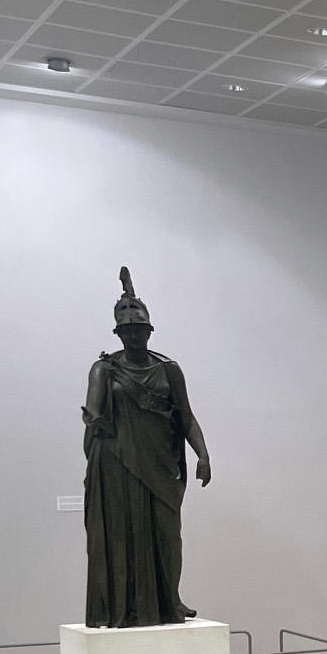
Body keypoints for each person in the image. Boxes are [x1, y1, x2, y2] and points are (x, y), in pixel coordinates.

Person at [82, 267, 211, 628]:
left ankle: (170, 598)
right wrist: (93, 422)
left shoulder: (169, 370)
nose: (134, 336)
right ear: (118, 334)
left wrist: (203, 454)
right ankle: (126, 604)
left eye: (140, 330)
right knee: (124, 536)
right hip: (119, 463)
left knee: (168, 535)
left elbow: (186, 416)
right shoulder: (103, 370)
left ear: (150, 331)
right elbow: (94, 412)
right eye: (127, 331)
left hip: (161, 463)